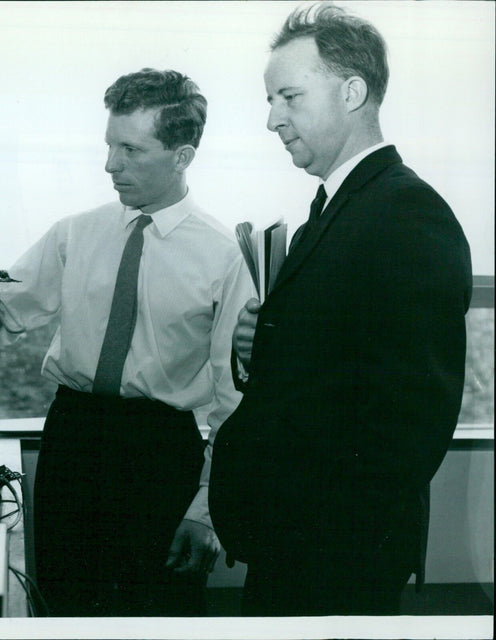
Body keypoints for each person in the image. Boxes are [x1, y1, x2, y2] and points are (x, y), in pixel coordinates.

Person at [0, 69, 254, 615]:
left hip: (159, 455)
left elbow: (234, 401)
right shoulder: (74, 234)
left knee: (157, 612)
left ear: (182, 155)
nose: (110, 165)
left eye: (130, 149)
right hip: (72, 442)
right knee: (65, 605)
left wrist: (205, 509)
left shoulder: (224, 257)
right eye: (109, 145)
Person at [208, 3, 473, 617]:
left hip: (333, 554)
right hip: (296, 544)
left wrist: (324, 538)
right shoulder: (333, 213)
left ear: (352, 92)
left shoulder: (408, 215)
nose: (273, 119)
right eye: (272, 100)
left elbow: (412, 416)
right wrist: (255, 348)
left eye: (289, 97)